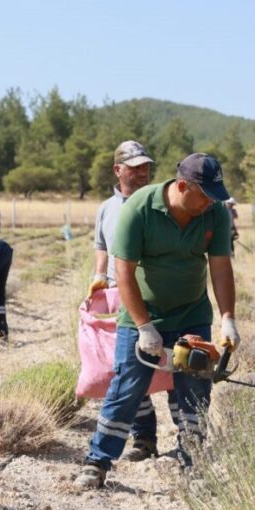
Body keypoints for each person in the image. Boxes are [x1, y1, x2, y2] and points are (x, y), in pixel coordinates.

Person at [77, 153, 240, 490]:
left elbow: (221, 268)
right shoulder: (139, 209)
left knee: (194, 389)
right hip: (142, 312)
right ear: (182, 186)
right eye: (205, 196)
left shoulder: (215, 213)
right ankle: (97, 462)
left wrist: (228, 318)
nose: (210, 203)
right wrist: (143, 325)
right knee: (126, 387)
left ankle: (192, 461)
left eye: (215, 197)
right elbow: (124, 272)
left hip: (192, 314)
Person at [87, 140, 161, 462]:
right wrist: (99, 276)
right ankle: (144, 438)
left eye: (146, 167)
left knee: (169, 371)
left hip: (153, 295)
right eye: (135, 167)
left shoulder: (157, 203)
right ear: (118, 170)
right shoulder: (106, 208)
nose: (143, 172)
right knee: (126, 371)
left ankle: (188, 445)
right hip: (119, 296)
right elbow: (101, 245)